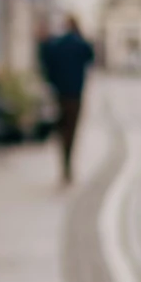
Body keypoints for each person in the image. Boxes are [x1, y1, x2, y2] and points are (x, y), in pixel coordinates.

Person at [38, 15, 95, 183]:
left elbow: (46, 60)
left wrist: (52, 81)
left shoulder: (57, 44)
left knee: (63, 129)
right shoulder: (80, 44)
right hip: (75, 94)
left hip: (60, 93)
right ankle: (68, 162)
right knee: (71, 129)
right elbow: (91, 57)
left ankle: (65, 162)